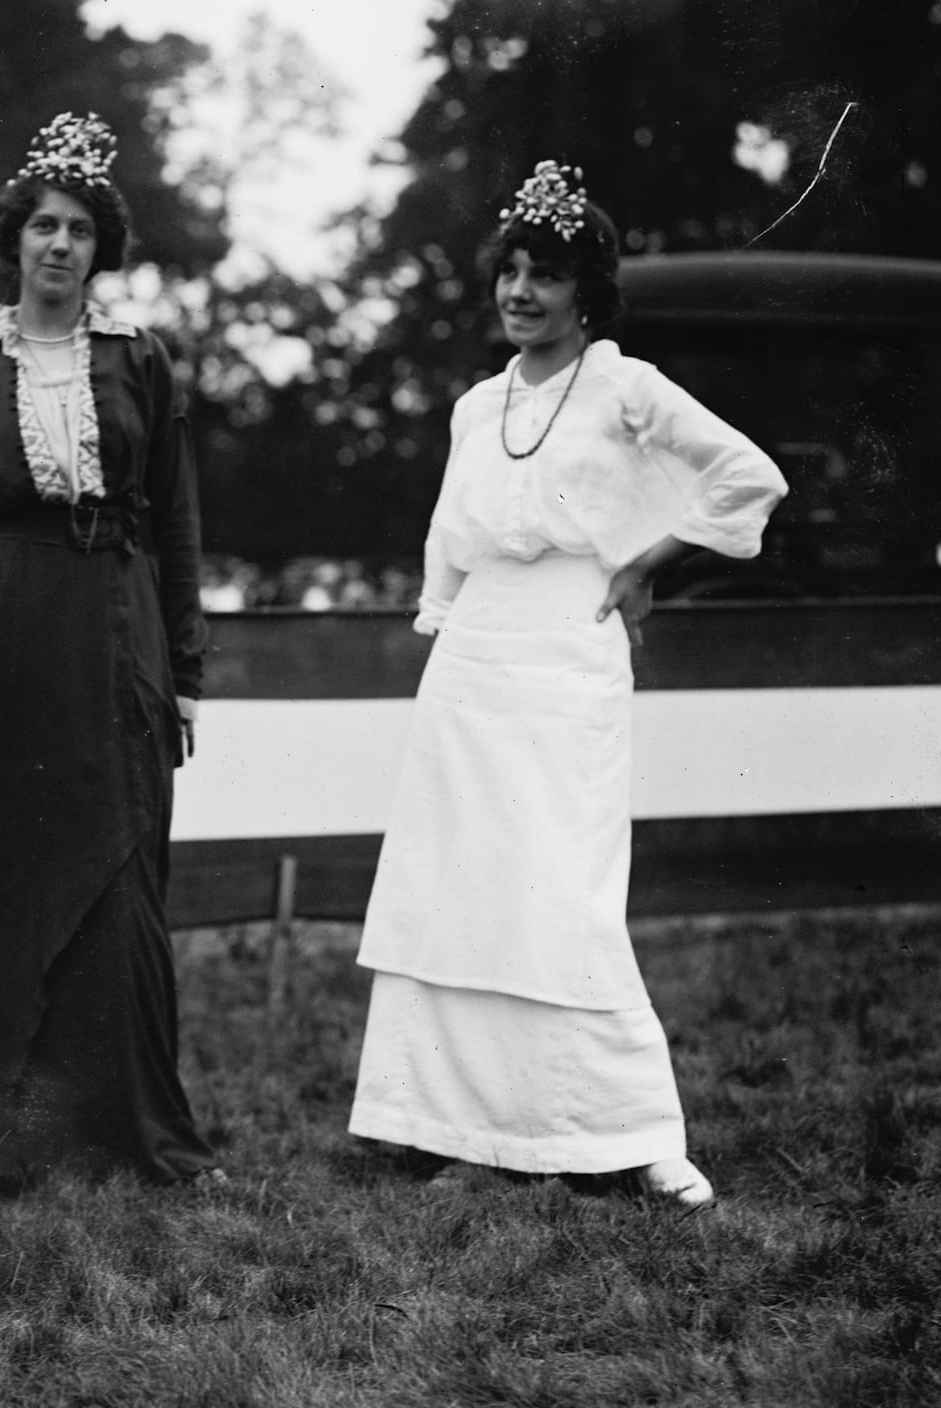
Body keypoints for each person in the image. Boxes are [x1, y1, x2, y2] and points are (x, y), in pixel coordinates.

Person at [348, 162, 788, 1207]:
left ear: (584, 290)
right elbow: (446, 548)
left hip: (568, 648)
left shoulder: (625, 388)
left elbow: (746, 477)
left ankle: (626, 1129)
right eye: (507, 270)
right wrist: (446, 627)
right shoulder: (470, 407)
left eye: (542, 273)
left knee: (559, 893)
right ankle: (453, 1125)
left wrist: (644, 561)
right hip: (474, 661)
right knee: (461, 882)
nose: (518, 291)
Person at [0, 114, 218, 1191]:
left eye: (78, 228)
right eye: (41, 223)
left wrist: (181, 672)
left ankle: (121, 1133)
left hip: (114, 624)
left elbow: (173, 521)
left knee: (117, 873)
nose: (58, 244)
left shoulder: (140, 362)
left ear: (99, 247)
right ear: (14, 239)